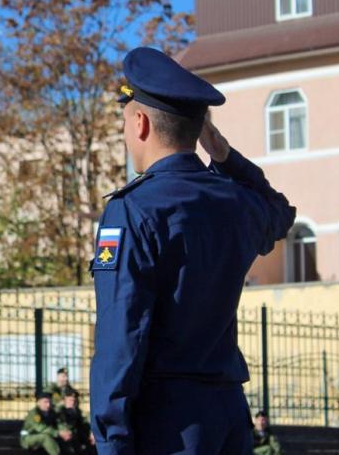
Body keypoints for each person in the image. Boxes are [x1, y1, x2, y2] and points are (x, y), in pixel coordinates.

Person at [88, 48, 296, 455]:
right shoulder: (235, 200)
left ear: (141, 123)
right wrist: (226, 157)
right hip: (228, 415)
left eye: (125, 120)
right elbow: (281, 213)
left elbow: (123, 333)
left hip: (167, 424)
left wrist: (111, 440)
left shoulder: (131, 209)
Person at [56, 390, 97, 455]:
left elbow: (85, 423)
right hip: (63, 436)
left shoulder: (77, 411)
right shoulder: (59, 411)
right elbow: (62, 426)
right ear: (64, 400)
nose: (73, 402)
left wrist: (91, 433)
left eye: (74, 400)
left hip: (77, 436)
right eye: (70, 400)